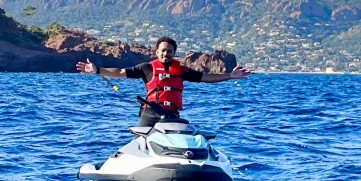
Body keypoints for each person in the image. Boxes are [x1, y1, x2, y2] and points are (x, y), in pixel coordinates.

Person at [76, 36, 251, 128]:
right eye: (162, 51)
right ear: (156, 52)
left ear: (174, 53)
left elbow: (205, 78)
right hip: (149, 114)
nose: (165, 54)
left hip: (171, 115)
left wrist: (230, 75)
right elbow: (121, 72)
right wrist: (97, 70)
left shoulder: (181, 70)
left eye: (169, 51)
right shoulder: (147, 68)